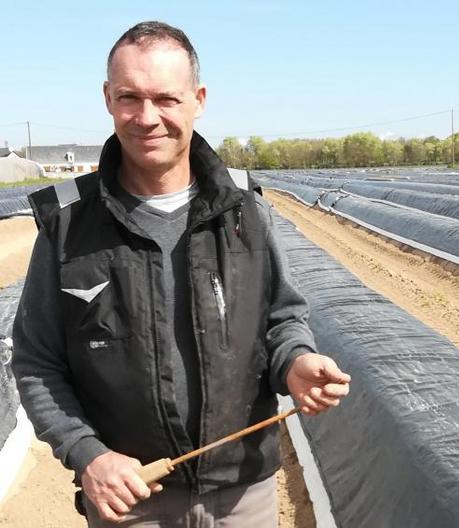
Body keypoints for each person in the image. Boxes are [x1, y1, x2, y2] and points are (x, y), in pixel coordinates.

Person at [11, 20, 350, 527]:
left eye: (166, 98)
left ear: (199, 99)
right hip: (129, 502)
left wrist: (295, 362)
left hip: (243, 500)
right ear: (108, 98)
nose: (147, 117)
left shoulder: (244, 212)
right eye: (129, 97)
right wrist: (88, 455)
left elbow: (281, 320)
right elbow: (37, 361)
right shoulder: (68, 224)